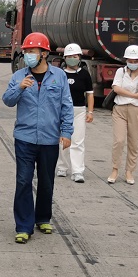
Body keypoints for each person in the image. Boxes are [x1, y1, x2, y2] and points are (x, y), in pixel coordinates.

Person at [2, 32, 73, 244]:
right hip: (24, 138)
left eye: (32, 51)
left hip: (49, 139)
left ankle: (42, 218)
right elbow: (7, 100)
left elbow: (66, 105)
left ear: (43, 53)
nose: (28, 55)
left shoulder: (59, 76)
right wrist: (20, 87)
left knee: (46, 181)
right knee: (23, 181)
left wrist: (66, 132)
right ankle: (23, 226)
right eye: (26, 52)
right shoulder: (19, 76)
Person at [108, 44, 138, 186]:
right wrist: (134, 95)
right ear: (126, 60)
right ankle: (115, 169)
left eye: (135, 61)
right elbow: (117, 88)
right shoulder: (120, 72)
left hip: (136, 110)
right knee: (119, 140)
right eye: (130, 61)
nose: (132, 63)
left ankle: (129, 171)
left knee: (134, 142)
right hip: (120, 108)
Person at [57, 42, 94, 183]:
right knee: (62, 140)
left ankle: (77, 171)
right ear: (64, 58)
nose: (72, 59)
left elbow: (89, 94)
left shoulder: (84, 74)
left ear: (79, 57)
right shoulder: (60, 74)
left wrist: (90, 112)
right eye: (69, 56)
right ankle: (62, 167)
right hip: (62, 111)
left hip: (79, 111)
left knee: (78, 141)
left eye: (75, 56)